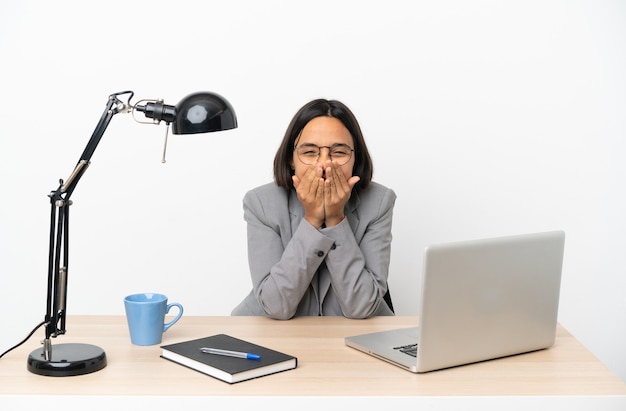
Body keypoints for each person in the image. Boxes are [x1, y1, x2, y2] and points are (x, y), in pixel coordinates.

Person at [231, 99, 396, 319]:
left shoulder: (379, 202)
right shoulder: (260, 203)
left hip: (353, 336)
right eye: (310, 152)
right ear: (291, 159)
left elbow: (362, 308)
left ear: (355, 158)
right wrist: (312, 219)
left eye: (338, 152)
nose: (324, 164)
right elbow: (275, 307)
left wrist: (336, 219)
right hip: (271, 334)